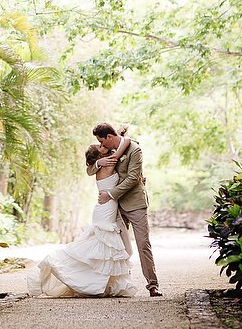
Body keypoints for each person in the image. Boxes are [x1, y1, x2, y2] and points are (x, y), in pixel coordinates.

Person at [27, 139, 136, 298]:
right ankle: (85, 278)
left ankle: (100, 283)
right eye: (100, 146)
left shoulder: (102, 164)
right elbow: (125, 143)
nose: (103, 146)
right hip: (105, 209)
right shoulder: (106, 164)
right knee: (104, 248)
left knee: (105, 249)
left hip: (106, 208)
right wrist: (122, 136)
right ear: (98, 155)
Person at [91, 121, 161, 296]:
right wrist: (99, 164)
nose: (101, 145)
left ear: (110, 136)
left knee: (143, 243)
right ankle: (122, 284)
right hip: (115, 207)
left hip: (134, 203)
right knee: (118, 246)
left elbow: (132, 178)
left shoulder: (134, 149)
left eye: (102, 141)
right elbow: (90, 168)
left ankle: (152, 285)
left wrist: (110, 194)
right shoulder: (107, 152)